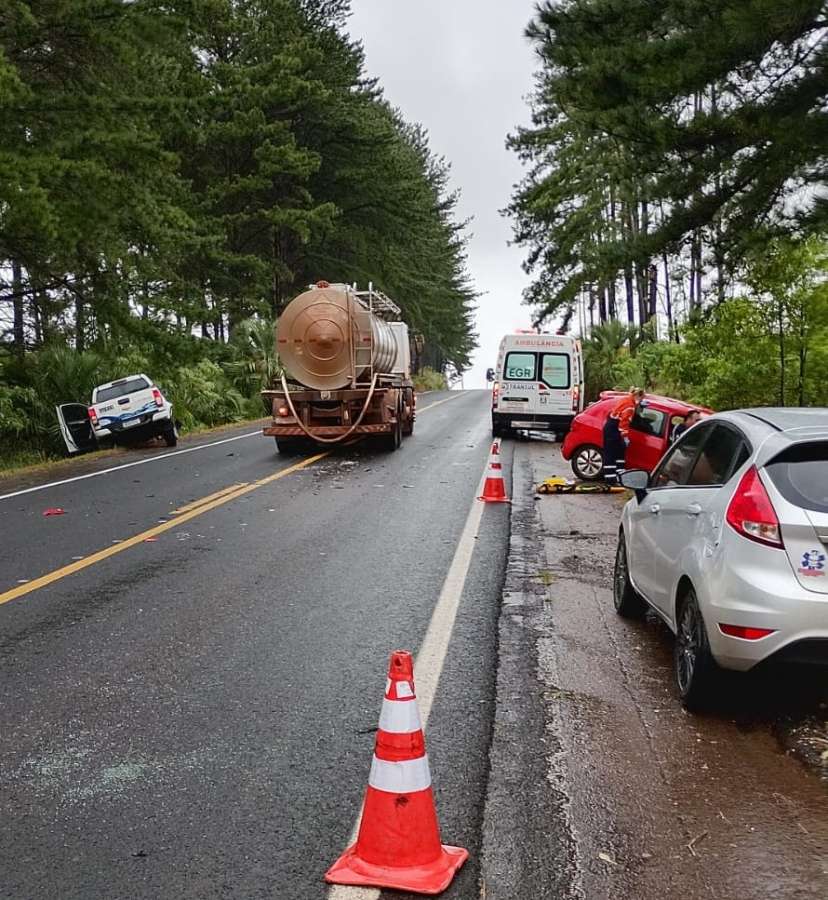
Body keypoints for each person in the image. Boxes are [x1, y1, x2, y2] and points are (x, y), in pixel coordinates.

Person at [602, 387, 645, 485]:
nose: (641, 401)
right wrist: (625, 436)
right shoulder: (630, 406)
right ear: (638, 396)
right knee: (611, 453)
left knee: (619, 452)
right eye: (641, 399)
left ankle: (619, 476)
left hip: (612, 426)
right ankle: (610, 479)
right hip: (613, 429)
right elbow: (624, 423)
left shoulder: (626, 399)